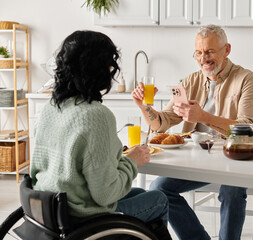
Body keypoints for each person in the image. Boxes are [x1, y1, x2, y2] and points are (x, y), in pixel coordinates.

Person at [30, 30, 171, 239]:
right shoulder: (96, 115)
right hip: (83, 218)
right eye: (109, 65)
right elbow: (106, 194)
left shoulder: (51, 107)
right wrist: (131, 161)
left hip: (53, 211)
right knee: (159, 199)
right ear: (98, 70)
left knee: (142, 194)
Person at [132, 25, 253, 240]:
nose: (203, 59)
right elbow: (162, 123)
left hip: (234, 158)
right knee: (159, 187)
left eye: (209, 52)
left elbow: (247, 128)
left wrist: (203, 117)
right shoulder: (190, 81)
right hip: (196, 160)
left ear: (226, 50)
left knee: (232, 191)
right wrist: (143, 106)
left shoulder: (246, 79)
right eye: (198, 53)